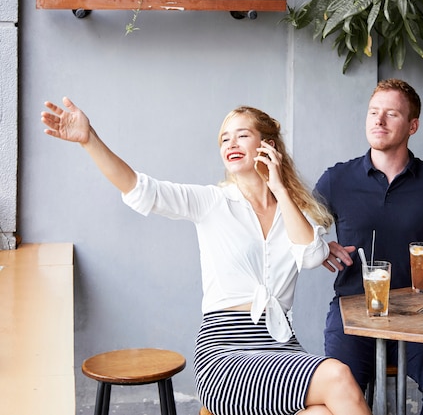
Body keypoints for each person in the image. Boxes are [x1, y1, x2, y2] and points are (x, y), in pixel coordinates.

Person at [41, 97, 372, 415]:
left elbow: (312, 256)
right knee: (338, 376)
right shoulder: (211, 202)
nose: (231, 143)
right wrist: (89, 139)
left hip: (280, 346)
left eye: (242, 135)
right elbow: (138, 188)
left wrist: (280, 189)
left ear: (269, 145)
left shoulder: (296, 211)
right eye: (224, 138)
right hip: (224, 355)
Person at [313, 78, 423, 415]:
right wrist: (318, 247)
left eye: (391, 114)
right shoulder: (337, 179)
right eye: (373, 112)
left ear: (413, 126)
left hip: (422, 315)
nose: (378, 120)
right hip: (354, 313)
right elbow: (296, 233)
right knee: (335, 397)